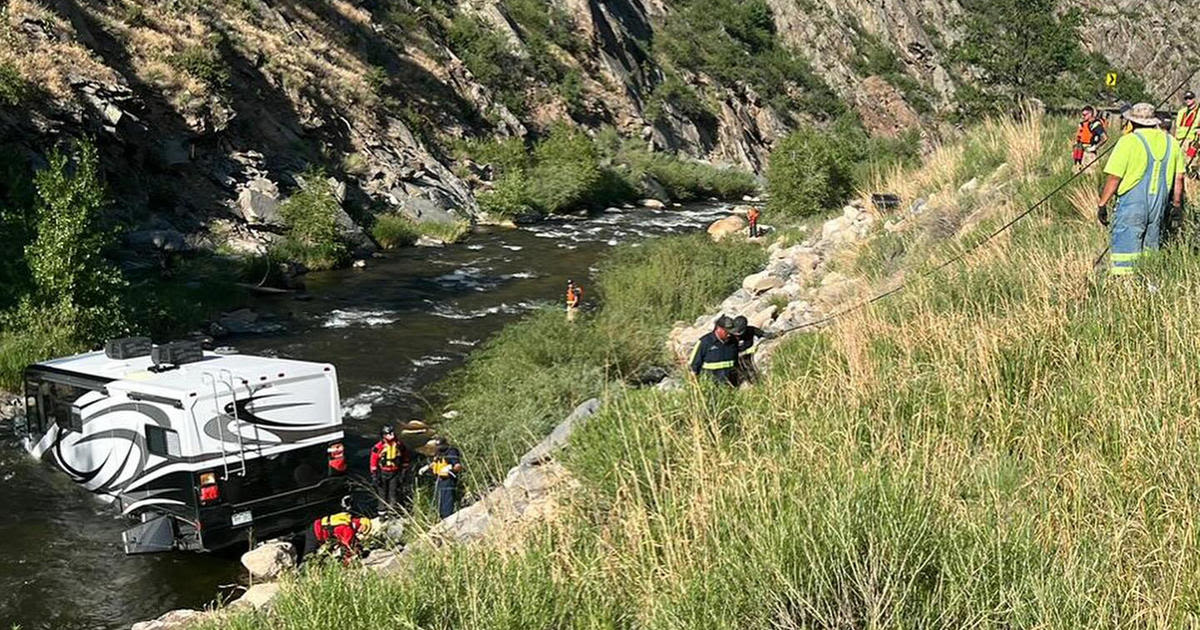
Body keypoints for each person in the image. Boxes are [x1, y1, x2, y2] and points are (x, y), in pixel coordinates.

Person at [1097, 102, 1186, 276]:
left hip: (1132, 206)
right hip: (1159, 206)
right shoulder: (1171, 142)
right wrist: (1176, 205)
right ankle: (1148, 287)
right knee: (1150, 252)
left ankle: (1126, 291)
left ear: (1132, 121)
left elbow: (1114, 178)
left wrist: (1102, 204)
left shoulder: (1128, 141)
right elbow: (1179, 177)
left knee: (1125, 255)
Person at [300, 496, 373, 564]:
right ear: (361, 526)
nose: (361, 532)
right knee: (308, 557)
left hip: (316, 526)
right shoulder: (348, 530)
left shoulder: (348, 518)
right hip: (316, 533)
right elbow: (349, 546)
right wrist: (347, 561)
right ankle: (302, 571)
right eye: (363, 530)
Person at [688, 315, 740, 385]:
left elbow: (736, 363)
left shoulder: (734, 341)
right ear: (718, 329)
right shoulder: (705, 342)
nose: (729, 334)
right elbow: (693, 367)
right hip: (711, 387)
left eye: (731, 332)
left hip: (730, 386)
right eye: (727, 331)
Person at [419, 438, 464, 519]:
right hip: (439, 480)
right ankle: (441, 518)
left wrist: (450, 469)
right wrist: (426, 468)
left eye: (440, 446)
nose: (438, 448)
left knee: (447, 501)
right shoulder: (439, 453)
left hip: (448, 480)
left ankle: (448, 519)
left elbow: (458, 466)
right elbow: (435, 463)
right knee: (440, 502)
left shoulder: (451, 452)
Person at [369, 425, 411, 510]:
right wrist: (374, 475)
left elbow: (405, 457)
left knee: (393, 493)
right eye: (389, 433)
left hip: (395, 473)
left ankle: (392, 512)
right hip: (382, 473)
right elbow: (373, 461)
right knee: (382, 494)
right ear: (383, 435)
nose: (391, 434)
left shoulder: (399, 445)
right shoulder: (378, 447)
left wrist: (404, 471)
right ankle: (382, 513)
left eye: (392, 432)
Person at [729, 315, 776, 385]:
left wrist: (774, 335)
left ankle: (757, 385)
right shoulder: (729, 336)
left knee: (752, 373)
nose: (737, 335)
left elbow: (764, 334)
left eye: (739, 333)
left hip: (747, 357)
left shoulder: (751, 330)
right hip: (733, 359)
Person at [1073, 106, 1107, 171]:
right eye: (1082, 115)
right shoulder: (1082, 124)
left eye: (1084, 115)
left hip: (1089, 153)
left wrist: (1095, 147)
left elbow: (1104, 138)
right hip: (1080, 151)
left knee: (1090, 173)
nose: (1082, 117)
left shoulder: (1095, 124)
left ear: (1090, 114)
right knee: (1078, 172)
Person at [1175, 90, 1198, 162]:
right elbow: (1177, 127)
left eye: (1190, 98)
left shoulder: (1198, 111)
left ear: (1194, 99)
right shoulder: (1181, 112)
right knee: (1179, 162)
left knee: (1191, 162)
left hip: (1192, 142)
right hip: (1180, 141)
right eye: (1186, 98)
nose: (1188, 100)